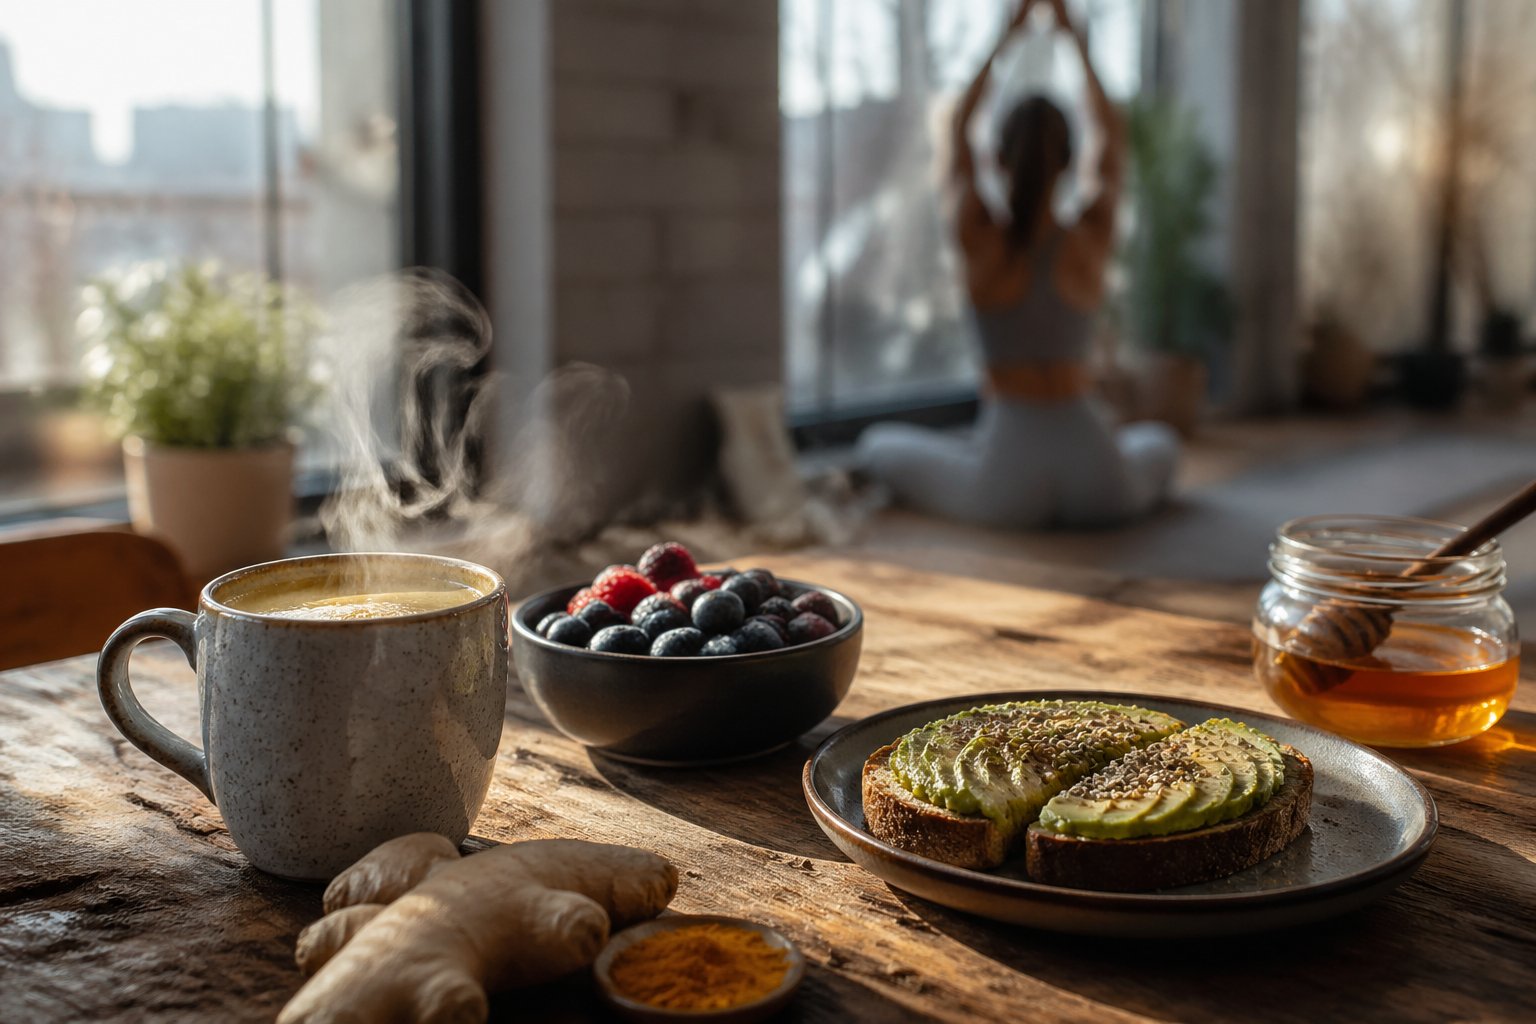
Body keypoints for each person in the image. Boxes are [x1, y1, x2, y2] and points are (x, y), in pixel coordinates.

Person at [858, 0, 1178, 529]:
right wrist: (1073, 37)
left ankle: (977, 450)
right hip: (1099, 479)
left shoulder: (981, 241)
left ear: (998, 158)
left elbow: (959, 130)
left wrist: (1006, 38)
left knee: (876, 445)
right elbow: (1112, 137)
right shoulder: (1087, 241)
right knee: (1159, 442)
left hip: (1005, 489)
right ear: (1072, 160)